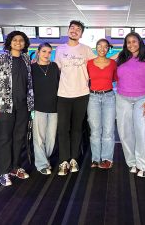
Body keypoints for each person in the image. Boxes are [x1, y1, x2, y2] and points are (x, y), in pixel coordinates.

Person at [0, 31, 34, 186]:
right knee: (5, 139)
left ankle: (15, 167)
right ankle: (3, 172)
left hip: (23, 105)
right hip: (4, 105)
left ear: (25, 43)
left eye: (21, 40)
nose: (18, 42)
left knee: (19, 138)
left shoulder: (26, 59)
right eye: (15, 40)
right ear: (9, 42)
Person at [55, 20, 96, 175]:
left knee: (77, 129)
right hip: (63, 94)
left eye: (78, 29)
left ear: (81, 34)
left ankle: (74, 159)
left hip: (82, 94)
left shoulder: (86, 49)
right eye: (72, 28)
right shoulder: (59, 49)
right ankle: (64, 161)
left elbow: (99, 63)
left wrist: (119, 55)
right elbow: (55, 69)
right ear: (68, 31)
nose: (74, 30)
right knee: (63, 129)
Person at [115, 33, 145, 177]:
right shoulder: (121, 57)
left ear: (140, 41)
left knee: (143, 131)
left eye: (134, 41)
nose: (131, 44)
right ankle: (132, 162)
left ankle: (144, 164)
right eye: (128, 42)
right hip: (122, 98)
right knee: (125, 132)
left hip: (143, 99)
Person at [87, 39, 117, 169]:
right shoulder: (88, 63)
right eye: (99, 46)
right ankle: (95, 158)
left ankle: (107, 158)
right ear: (96, 47)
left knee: (108, 130)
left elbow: (116, 78)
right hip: (93, 97)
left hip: (109, 97)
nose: (102, 49)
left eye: (105, 47)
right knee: (95, 130)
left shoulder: (112, 64)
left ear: (108, 49)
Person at [31, 43, 59, 175]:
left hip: (54, 107)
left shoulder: (54, 66)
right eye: (44, 51)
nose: (46, 54)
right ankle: (41, 164)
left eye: (49, 52)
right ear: (38, 52)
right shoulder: (31, 68)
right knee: (39, 137)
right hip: (38, 107)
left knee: (51, 137)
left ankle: (45, 159)